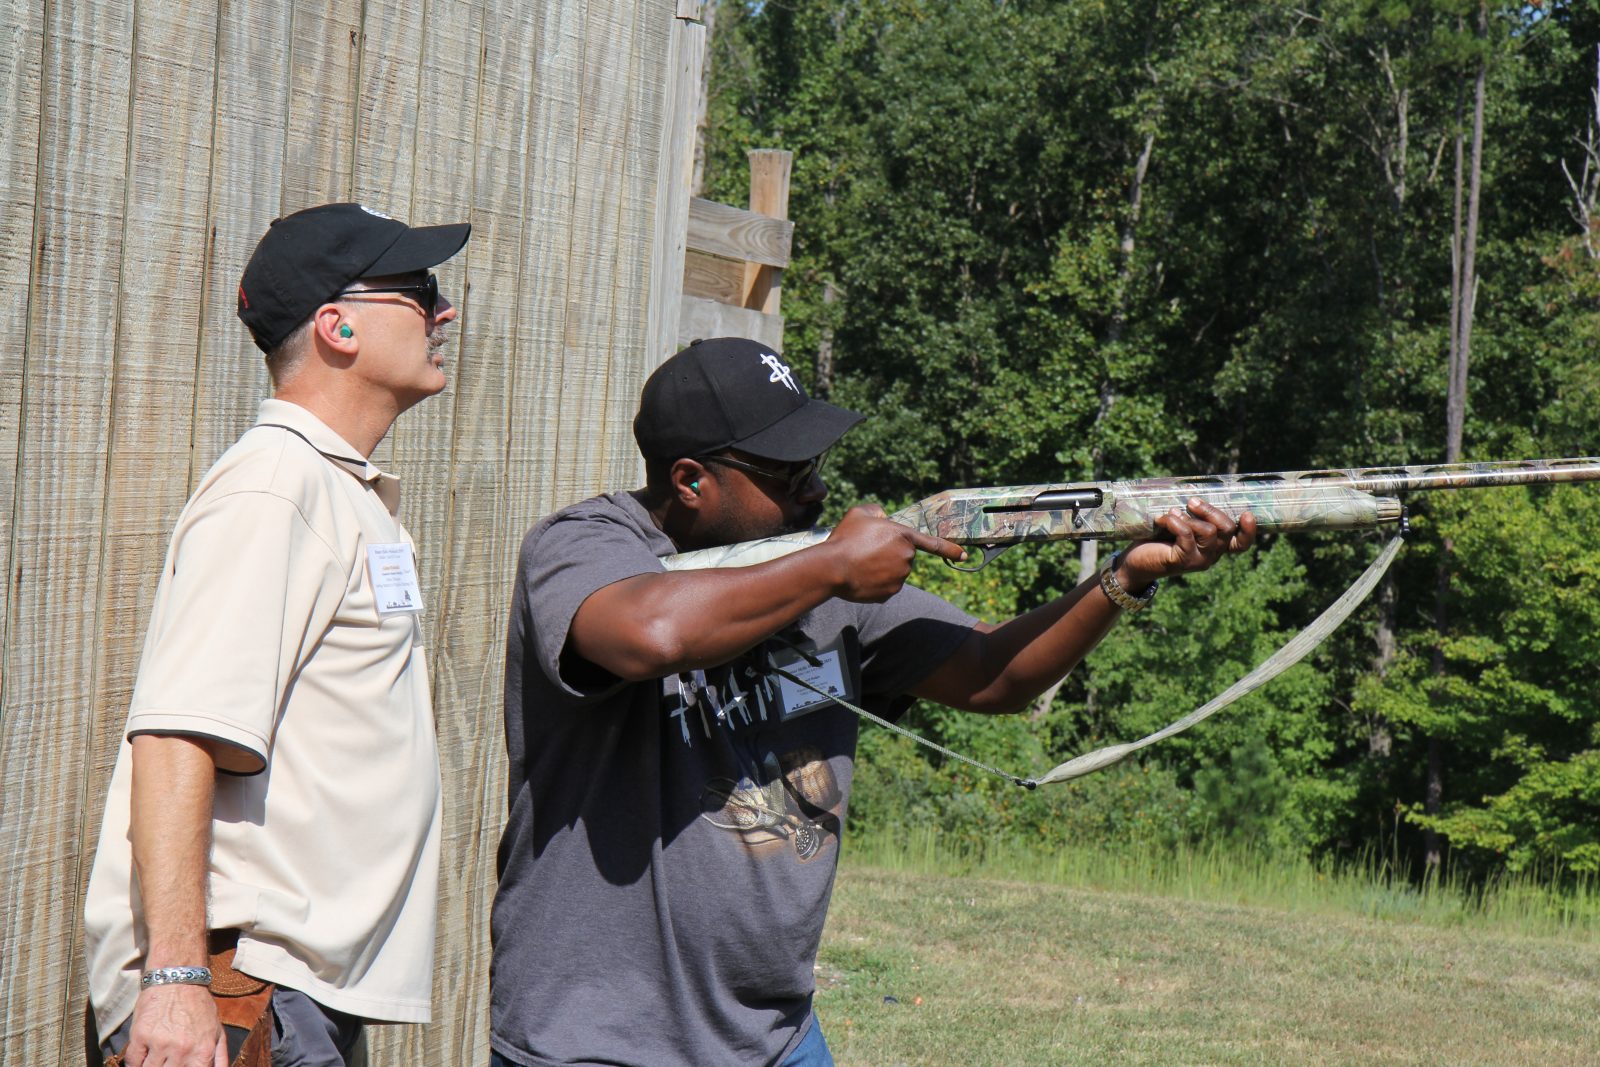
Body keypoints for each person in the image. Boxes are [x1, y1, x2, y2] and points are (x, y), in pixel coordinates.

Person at [490, 336, 1255, 1067]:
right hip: (596, 1039)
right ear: (691, 481)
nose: (816, 489)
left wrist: (1126, 577)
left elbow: (994, 672)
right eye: (788, 475)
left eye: (815, 464)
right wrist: (830, 566)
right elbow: (648, 634)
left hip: (773, 1035)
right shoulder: (583, 544)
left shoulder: (825, 578)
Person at [83, 202, 471, 1067]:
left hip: (288, 992)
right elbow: (177, 736)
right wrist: (177, 979)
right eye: (419, 290)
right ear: (337, 325)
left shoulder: (335, 487)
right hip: (236, 985)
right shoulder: (273, 490)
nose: (444, 312)